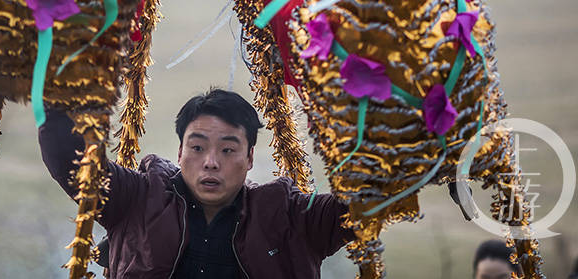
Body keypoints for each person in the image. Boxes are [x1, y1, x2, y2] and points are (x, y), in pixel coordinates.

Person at [38, 87, 352, 278]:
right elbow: (70, 156)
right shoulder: (135, 198)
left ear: (250, 157)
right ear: (180, 151)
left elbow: (366, 198)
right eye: (198, 147)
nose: (211, 162)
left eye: (228, 150)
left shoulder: (292, 216)